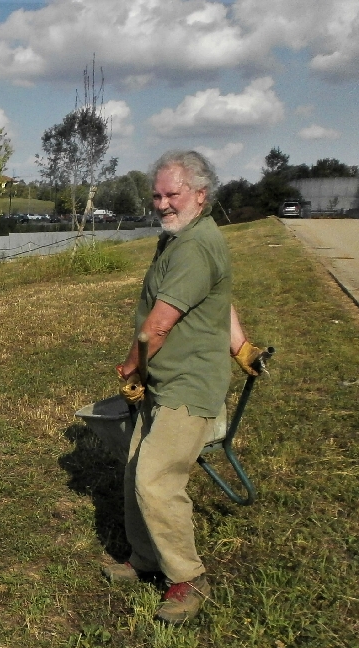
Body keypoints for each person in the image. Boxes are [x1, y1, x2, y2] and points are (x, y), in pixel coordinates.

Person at [106, 150, 264, 623]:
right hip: (165, 379)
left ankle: (188, 578)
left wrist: (131, 368)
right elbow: (220, 299)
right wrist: (241, 345)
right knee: (137, 468)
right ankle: (146, 558)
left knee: (157, 479)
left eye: (171, 194)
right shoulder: (180, 238)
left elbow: (157, 326)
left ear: (200, 193)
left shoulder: (194, 245)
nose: (161, 203)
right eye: (156, 195)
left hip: (187, 384)